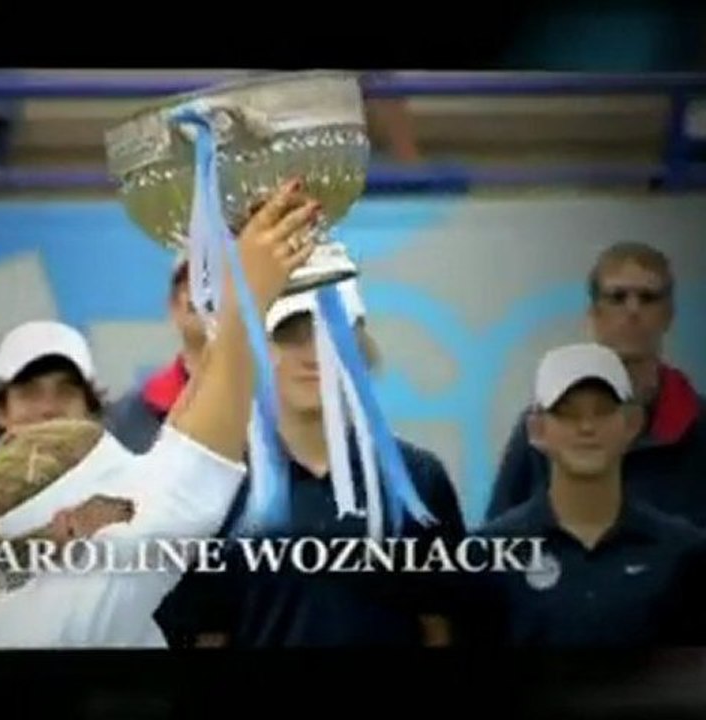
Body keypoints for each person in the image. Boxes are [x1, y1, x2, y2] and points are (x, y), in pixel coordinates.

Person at [0, 179, 322, 649]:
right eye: (119, 502)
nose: (134, 506)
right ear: (70, 524)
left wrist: (229, 295)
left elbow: (173, 455)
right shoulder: (71, 612)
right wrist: (248, 297)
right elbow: (189, 481)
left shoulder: (15, 597)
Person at [155, 279, 467, 648]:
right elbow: (206, 633)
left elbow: (440, 623)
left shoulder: (417, 480)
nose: (313, 355)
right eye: (290, 336)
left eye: (331, 333)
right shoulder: (218, 487)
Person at [469, 343, 706, 647]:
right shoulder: (486, 557)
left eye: (604, 410)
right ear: (536, 429)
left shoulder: (685, 554)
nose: (586, 426)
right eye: (566, 412)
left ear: (632, 424)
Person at [486, 242, 706, 527]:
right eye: (617, 297)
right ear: (594, 312)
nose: (633, 310)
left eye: (648, 297)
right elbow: (497, 548)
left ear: (669, 313)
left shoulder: (698, 425)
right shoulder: (547, 428)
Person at [106, 252, 206, 453]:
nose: (207, 294)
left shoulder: (277, 404)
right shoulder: (126, 417)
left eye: (223, 279)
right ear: (173, 305)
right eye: (195, 281)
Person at [0, 319, 105, 461]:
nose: (48, 408)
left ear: (89, 411)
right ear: (1, 412)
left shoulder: (128, 480)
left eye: (65, 392)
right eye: (30, 393)